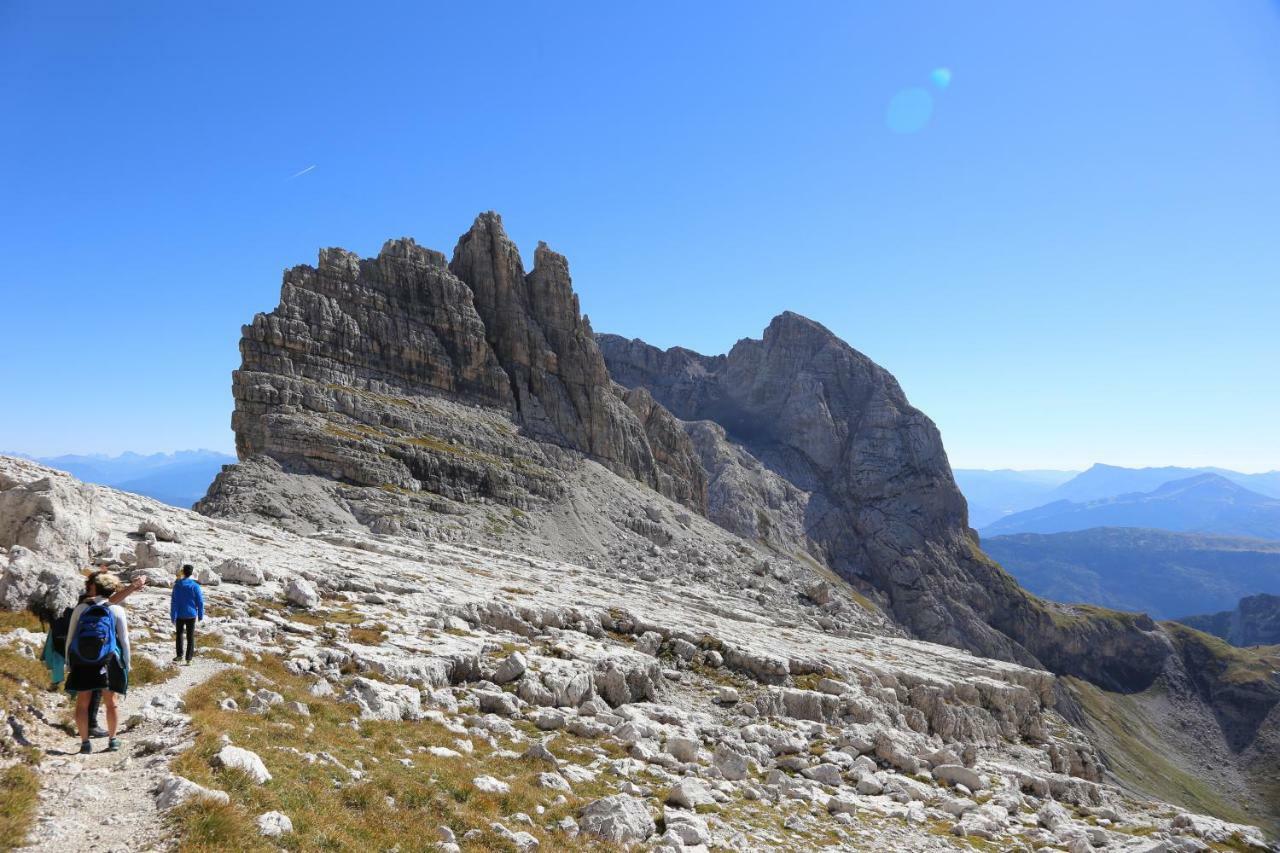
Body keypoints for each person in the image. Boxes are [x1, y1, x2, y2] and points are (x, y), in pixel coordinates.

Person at [42, 570, 144, 738]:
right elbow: (110, 604)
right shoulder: (100, 605)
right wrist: (133, 586)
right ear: (94, 586)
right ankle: (100, 730)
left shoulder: (83, 605)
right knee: (106, 697)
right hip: (104, 655)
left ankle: (85, 740)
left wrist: (69, 661)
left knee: (85, 696)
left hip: (81, 654)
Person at [65, 572, 131, 754]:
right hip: (107, 660)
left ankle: (85, 743)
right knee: (111, 702)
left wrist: (68, 661)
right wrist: (126, 662)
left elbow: (70, 637)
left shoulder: (81, 608)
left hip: (82, 660)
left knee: (82, 702)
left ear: (96, 588)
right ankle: (113, 740)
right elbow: (124, 640)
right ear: (112, 589)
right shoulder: (116, 609)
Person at [169, 563, 204, 666]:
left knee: (179, 635)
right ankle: (189, 659)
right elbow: (200, 601)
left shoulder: (177, 585)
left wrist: (173, 615)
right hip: (191, 614)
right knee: (190, 636)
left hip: (179, 614)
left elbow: (174, 602)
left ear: (183, 572)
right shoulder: (195, 586)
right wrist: (200, 614)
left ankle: (179, 655)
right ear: (192, 573)